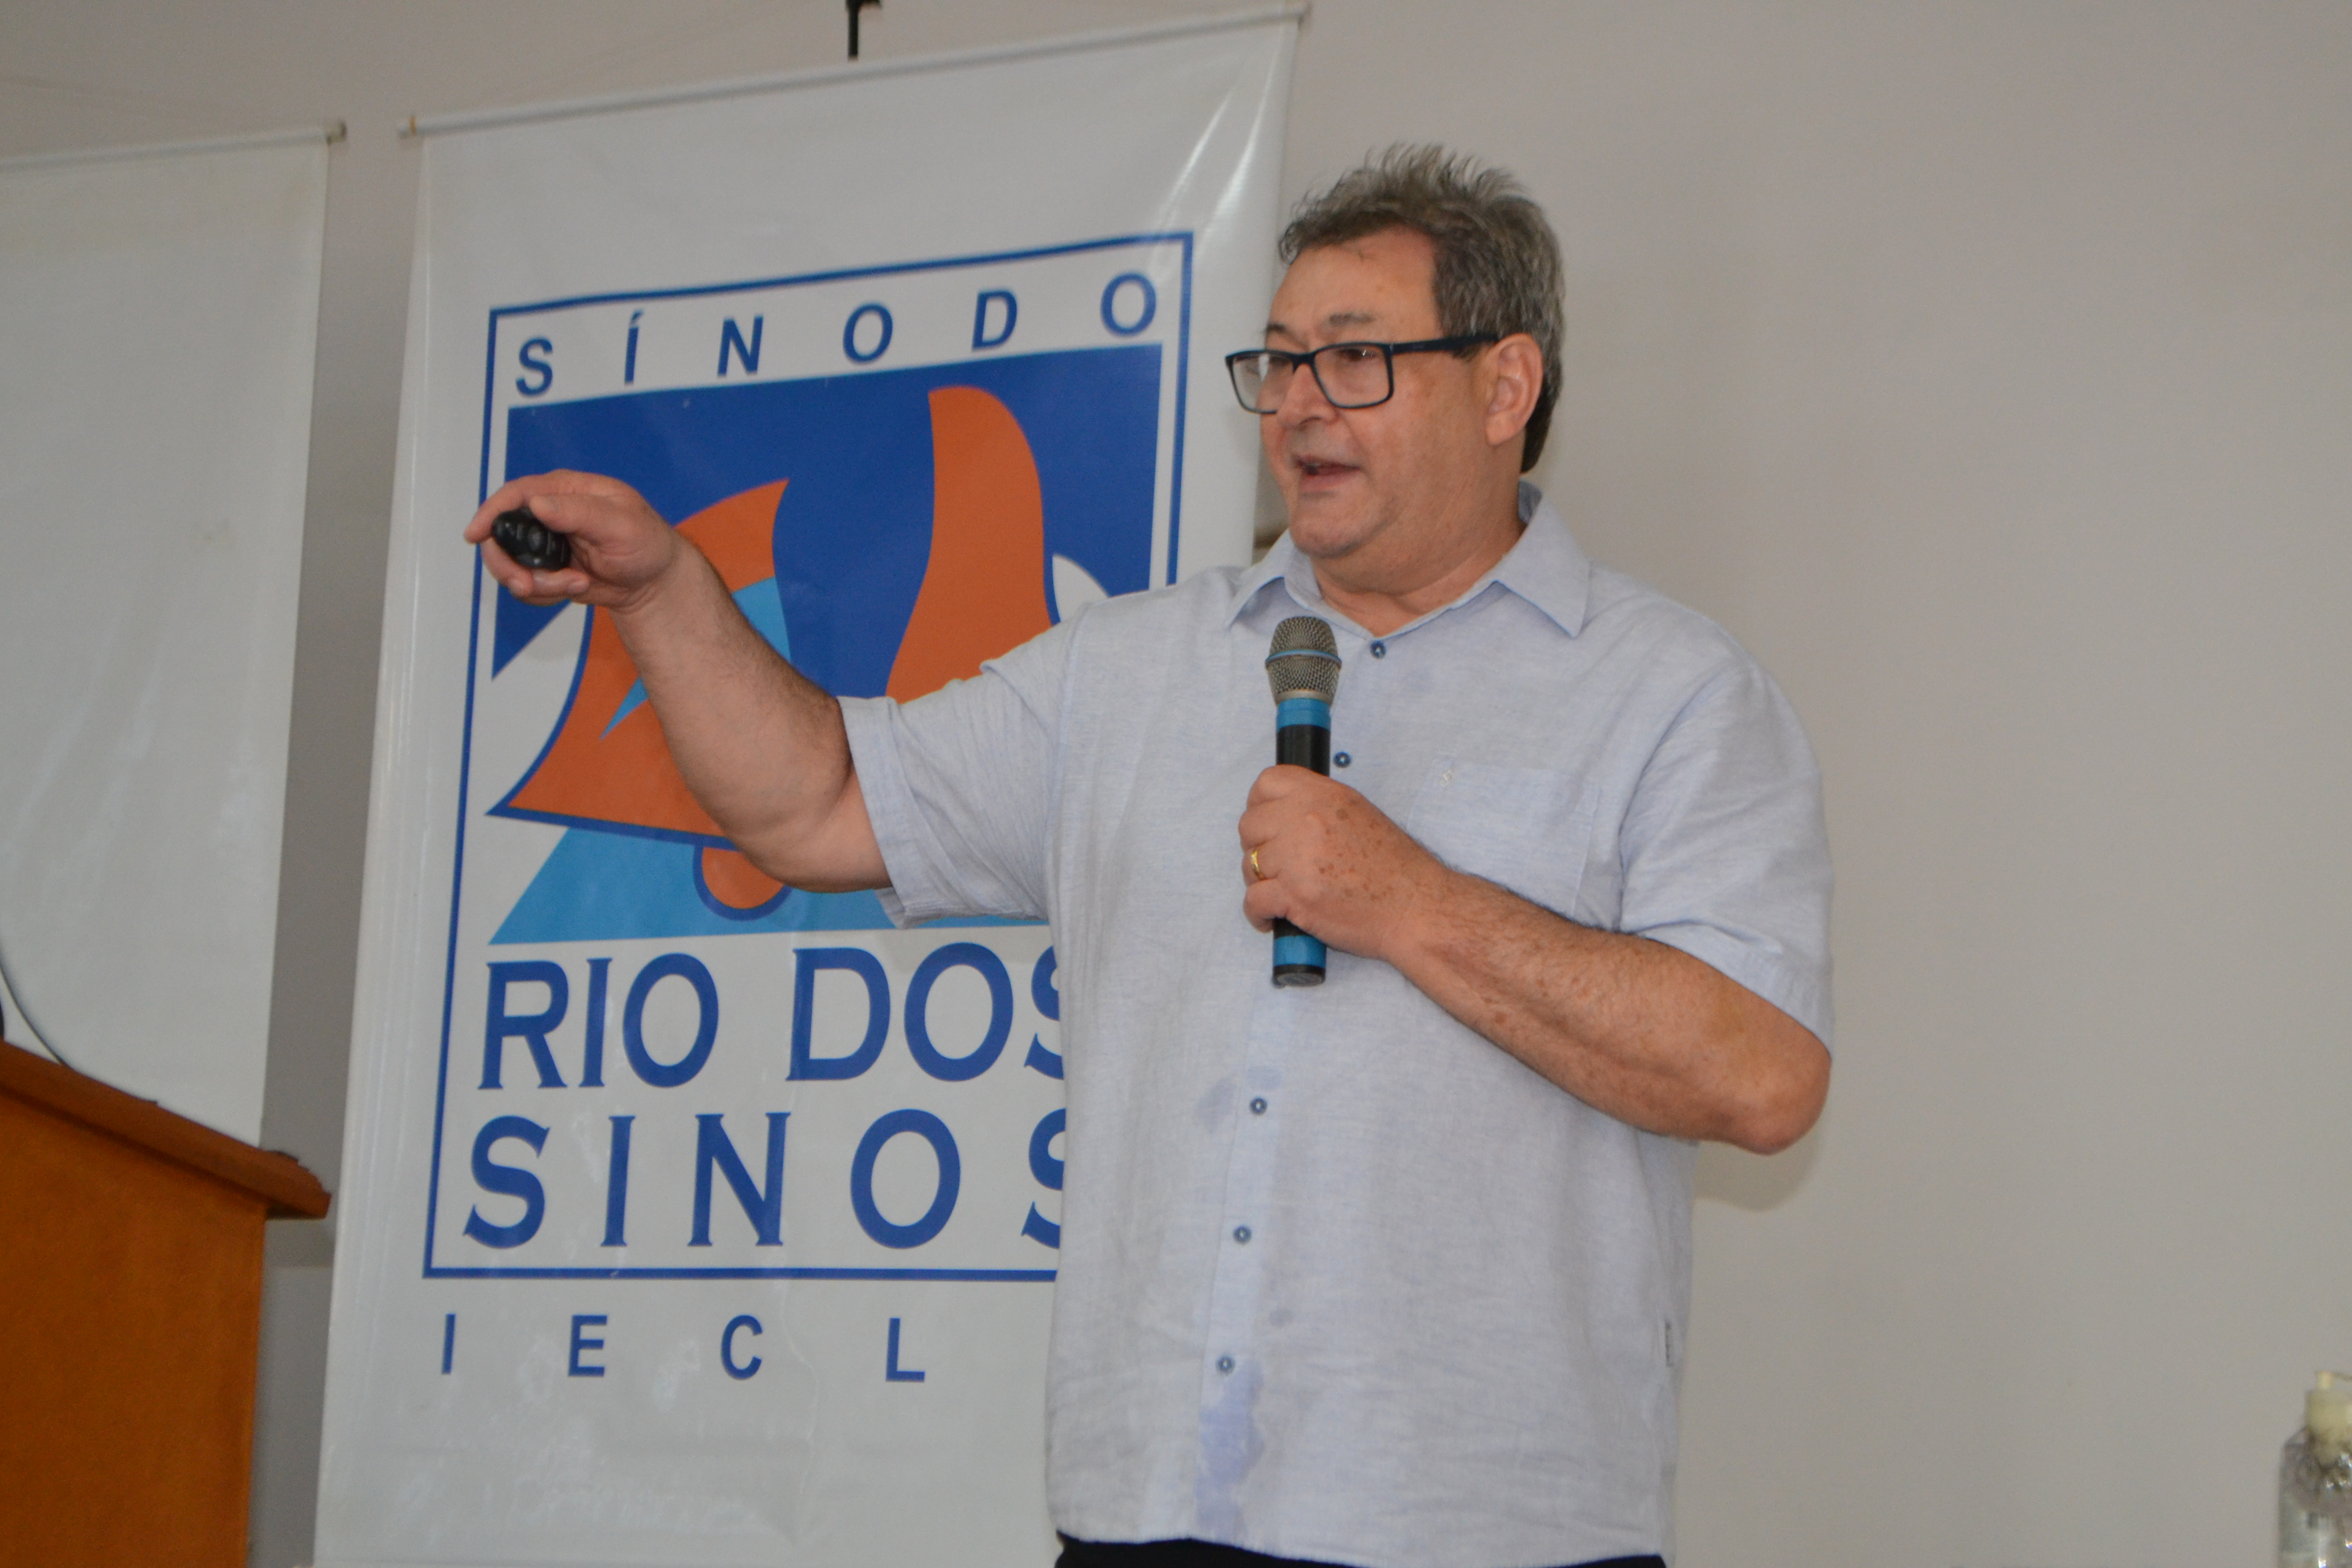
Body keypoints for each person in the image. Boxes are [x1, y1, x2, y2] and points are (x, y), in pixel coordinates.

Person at [470, 145, 1831, 1568]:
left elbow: (1761, 1072)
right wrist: (668, 596)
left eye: (1354, 359)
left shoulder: (1669, 693)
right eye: (1281, 362)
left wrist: (1410, 905)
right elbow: (817, 803)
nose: (1299, 404)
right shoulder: (1128, 669)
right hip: (1150, 1517)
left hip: (1486, 1529)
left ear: (1506, 388)